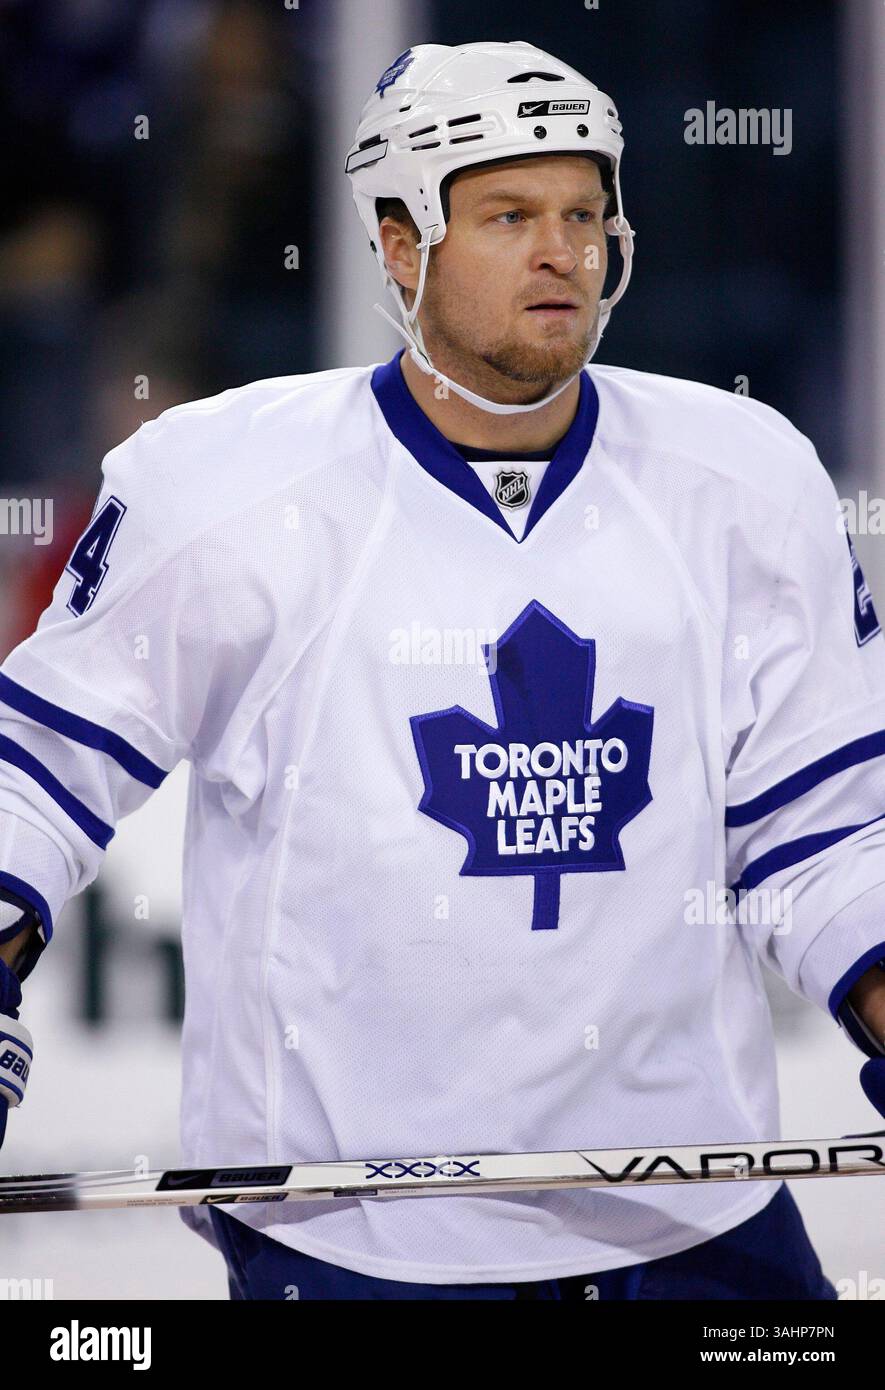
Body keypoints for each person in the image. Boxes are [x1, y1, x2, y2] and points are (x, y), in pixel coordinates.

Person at [1, 39, 884, 1301]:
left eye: (585, 213)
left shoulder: (749, 478)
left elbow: (830, 829)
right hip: (356, 1239)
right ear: (402, 245)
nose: (562, 251)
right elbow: (35, 773)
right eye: (511, 214)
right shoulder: (224, 487)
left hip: (700, 1219)